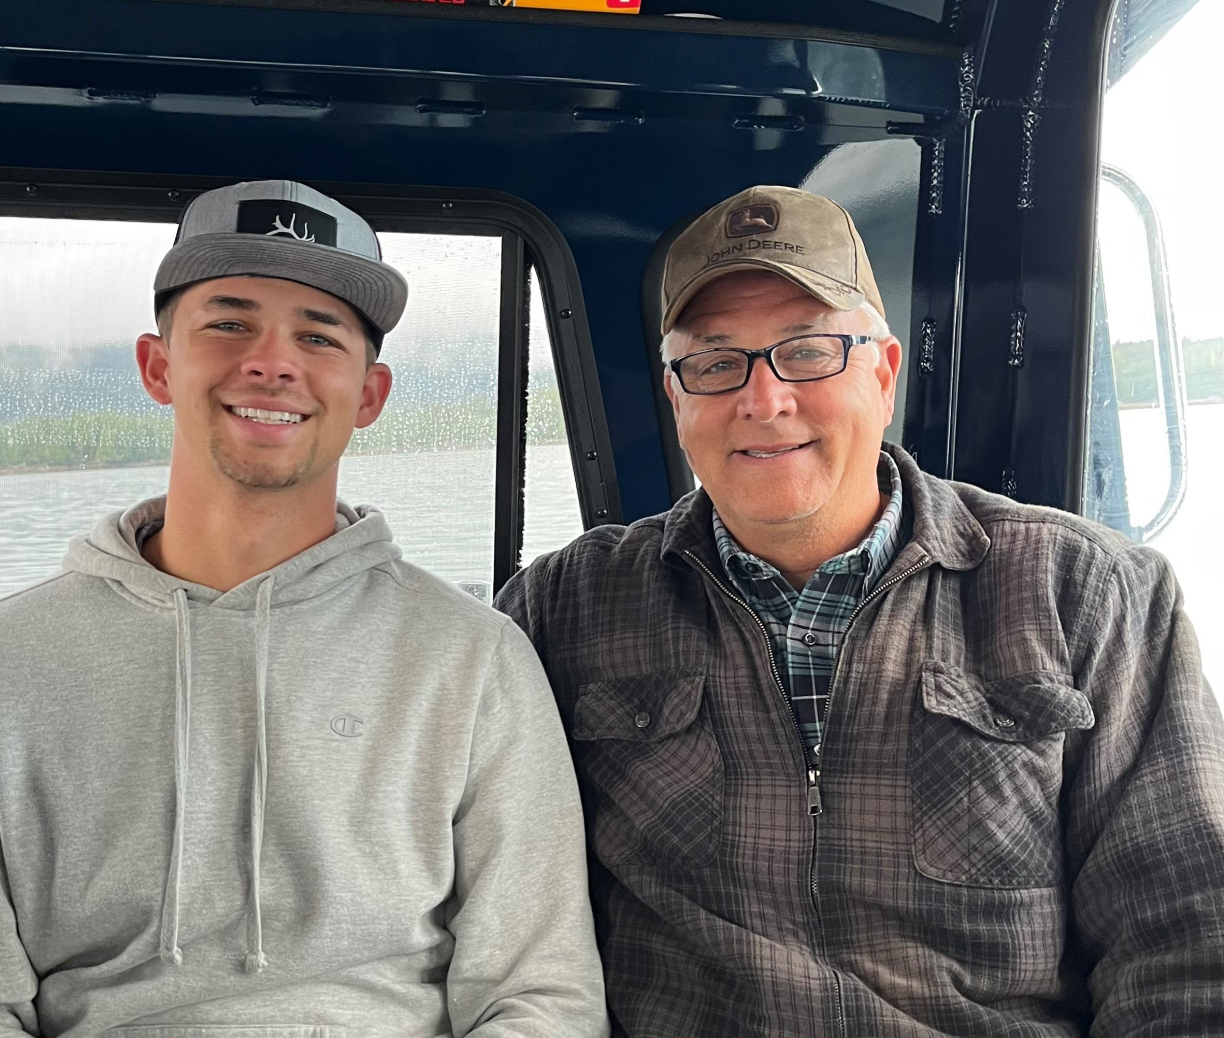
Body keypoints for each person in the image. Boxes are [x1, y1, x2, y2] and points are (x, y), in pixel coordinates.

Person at [0, 180, 608, 1037]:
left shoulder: (475, 659)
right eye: (229, 322)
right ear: (157, 366)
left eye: (318, 334)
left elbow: (540, 995)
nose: (272, 361)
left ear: (370, 394)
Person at [495, 185, 1224, 1035]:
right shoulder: (565, 608)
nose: (762, 401)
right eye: (716, 362)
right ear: (677, 397)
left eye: (807, 352)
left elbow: (1187, 943)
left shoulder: (1092, 594)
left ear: (882, 375)